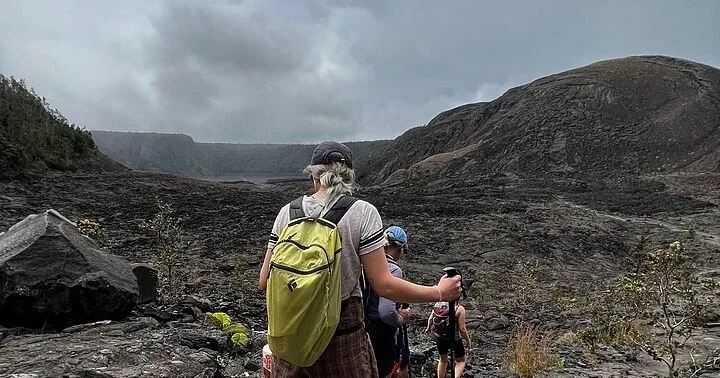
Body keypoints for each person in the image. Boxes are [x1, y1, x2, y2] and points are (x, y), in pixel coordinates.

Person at [258, 141, 462, 378]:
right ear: (348, 177)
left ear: (313, 176)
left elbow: (264, 282)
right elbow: (384, 285)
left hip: (289, 335)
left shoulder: (287, 213)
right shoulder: (362, 212)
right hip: (340, 333)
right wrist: (440, 292)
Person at [363, 225, 411, 377]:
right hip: (381, 333)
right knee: (383, 372)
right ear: (399, 248)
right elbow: (386, 312)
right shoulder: (393, 270)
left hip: (363, 327)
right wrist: (401, 318)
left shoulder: (366, 264)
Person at [426, 300, 471, 378]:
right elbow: (462, 329)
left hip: (440, 337)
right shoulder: (459, 309)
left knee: (443, 359)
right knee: (461, 360)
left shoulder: (438, 304)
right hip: (454, 338)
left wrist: (428, 328)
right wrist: (468, 340)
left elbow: (430, 319)